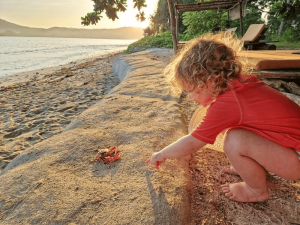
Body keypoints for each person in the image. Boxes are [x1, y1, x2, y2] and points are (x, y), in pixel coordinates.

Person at [146, 32, 300, 203]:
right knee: (234, 131)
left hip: (296, 161)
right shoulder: (242, 84)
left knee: (234, 140)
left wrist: (162, 153)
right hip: (291, 150)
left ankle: (255, 191)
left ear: (211, 81)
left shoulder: (229, 102)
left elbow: (193, 141)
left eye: (192, 90)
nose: (190, 97)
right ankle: (250, 166)